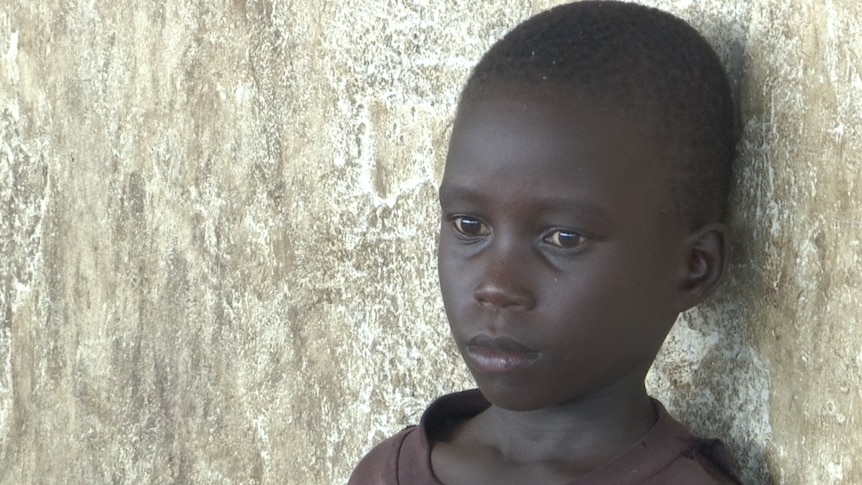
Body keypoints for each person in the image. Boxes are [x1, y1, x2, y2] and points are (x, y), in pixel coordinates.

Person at [350, 1, 742, 483]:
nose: (496, 286)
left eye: (564, 237)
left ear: (694, 267)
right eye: (470, 227)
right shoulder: (391, 473)